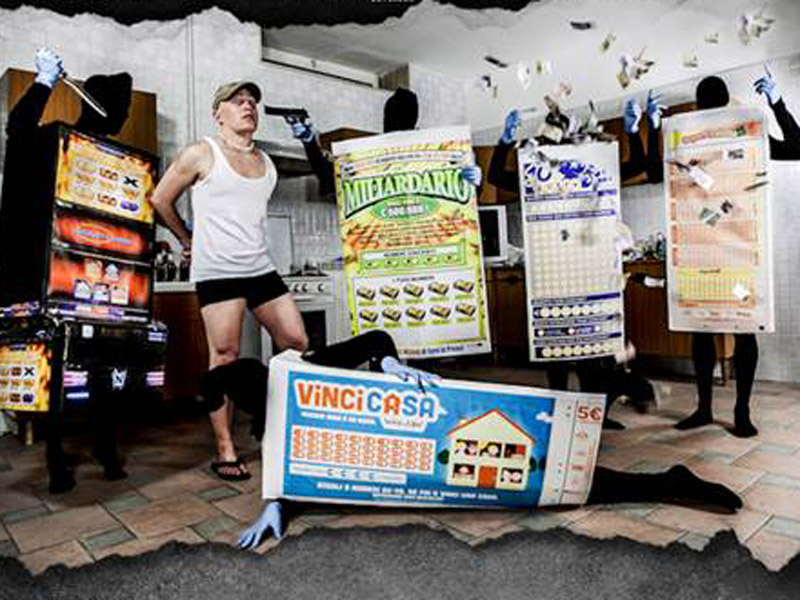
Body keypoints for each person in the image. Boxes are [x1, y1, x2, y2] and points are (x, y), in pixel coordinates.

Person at [225, 330, 741, 549]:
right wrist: (278, 505)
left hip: (436, 423)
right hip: (424, 466)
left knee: (542, 472)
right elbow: (298, 471)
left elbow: (375, 340)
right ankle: (660, 480)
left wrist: (390, 365)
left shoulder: (306, 367)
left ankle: (663, 482)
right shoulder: (272, 420)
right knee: (530, 486)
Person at [151, 81, 309, 481]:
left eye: (252, 101)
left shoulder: (267, 164)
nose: (248, 106)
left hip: (260, 267)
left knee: (296, 342)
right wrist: (187, 239)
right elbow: (159, 200)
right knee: (224, 356)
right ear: (217, 113)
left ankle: (271, 419)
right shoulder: (201, 153)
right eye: (238, 101)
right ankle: (225, 449)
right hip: (218, 270)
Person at [0, 48, 133, 493]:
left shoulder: (118, 161)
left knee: (105, 367)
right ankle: (56, 457)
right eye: (121, 109)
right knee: (57, 367)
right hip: (52, 280)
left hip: (105, 286)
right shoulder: (54, 142)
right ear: (100, 106)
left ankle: (105, 446)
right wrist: (44, 82)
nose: (123, 117)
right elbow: (19, 129)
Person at [642, 68, 800, 437]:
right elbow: (654, 173)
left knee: (741, 328)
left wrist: (776, 104)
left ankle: (736, 410)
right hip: (702, 249)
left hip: (740, 249)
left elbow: (797, 149)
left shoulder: (745, 134)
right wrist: (653, 127)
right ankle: (710, 410)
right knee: (705, 329)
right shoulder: (684, 141)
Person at [486, 99, 663, 426]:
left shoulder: (594, 169)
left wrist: (631, 130)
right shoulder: (537, 175)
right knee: (556, 350)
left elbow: (637, 164)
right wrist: (505, 140)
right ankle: (562, 416)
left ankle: (595, 417)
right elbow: (496, 175)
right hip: (553, 275)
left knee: (594, 354)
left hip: (592, 273)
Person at [286, 87, 482, 196]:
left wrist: (473, 182)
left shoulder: (431, 158)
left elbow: (458, 199)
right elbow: (331, 178)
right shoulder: (370, 158)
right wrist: (309, 142)